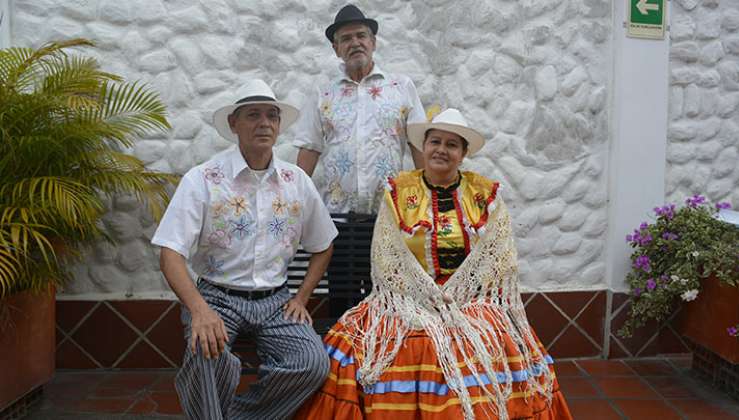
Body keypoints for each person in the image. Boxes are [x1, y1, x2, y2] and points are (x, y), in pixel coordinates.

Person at [296, 109, 573, 419]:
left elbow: (498, 257)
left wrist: (455, 298)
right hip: (406, 300)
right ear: (424, 147)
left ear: (463, 153)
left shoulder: (484, 195)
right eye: (435, 141)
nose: (442, 149)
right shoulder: (398, 192)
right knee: (357, 348)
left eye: (452, 145)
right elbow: (387, 259)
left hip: (469, 301)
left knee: (484, 342)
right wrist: (427, 299)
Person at [151, 79, 338, 419]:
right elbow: (170, 253)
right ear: (234, 124)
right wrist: (199, 310)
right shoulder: (203, 179)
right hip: (216, 297)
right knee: (208, 353)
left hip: (276, 301)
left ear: (279, 125)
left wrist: (301, 298)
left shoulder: (297, 181)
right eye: (253, 115)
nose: (264, 123)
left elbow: (323, 244)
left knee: (311, 364)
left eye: (272, 116)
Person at [293, 4, 427, 215]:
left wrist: (430, 200)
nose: (355, 43)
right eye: (346, 39)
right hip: (336, 217)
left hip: (390, 215)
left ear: (373, 42)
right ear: (336, 49)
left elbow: (419, 145)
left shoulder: (401, 87)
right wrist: (293, 201)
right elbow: (310, 148)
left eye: (361, 36)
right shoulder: (323, 94)